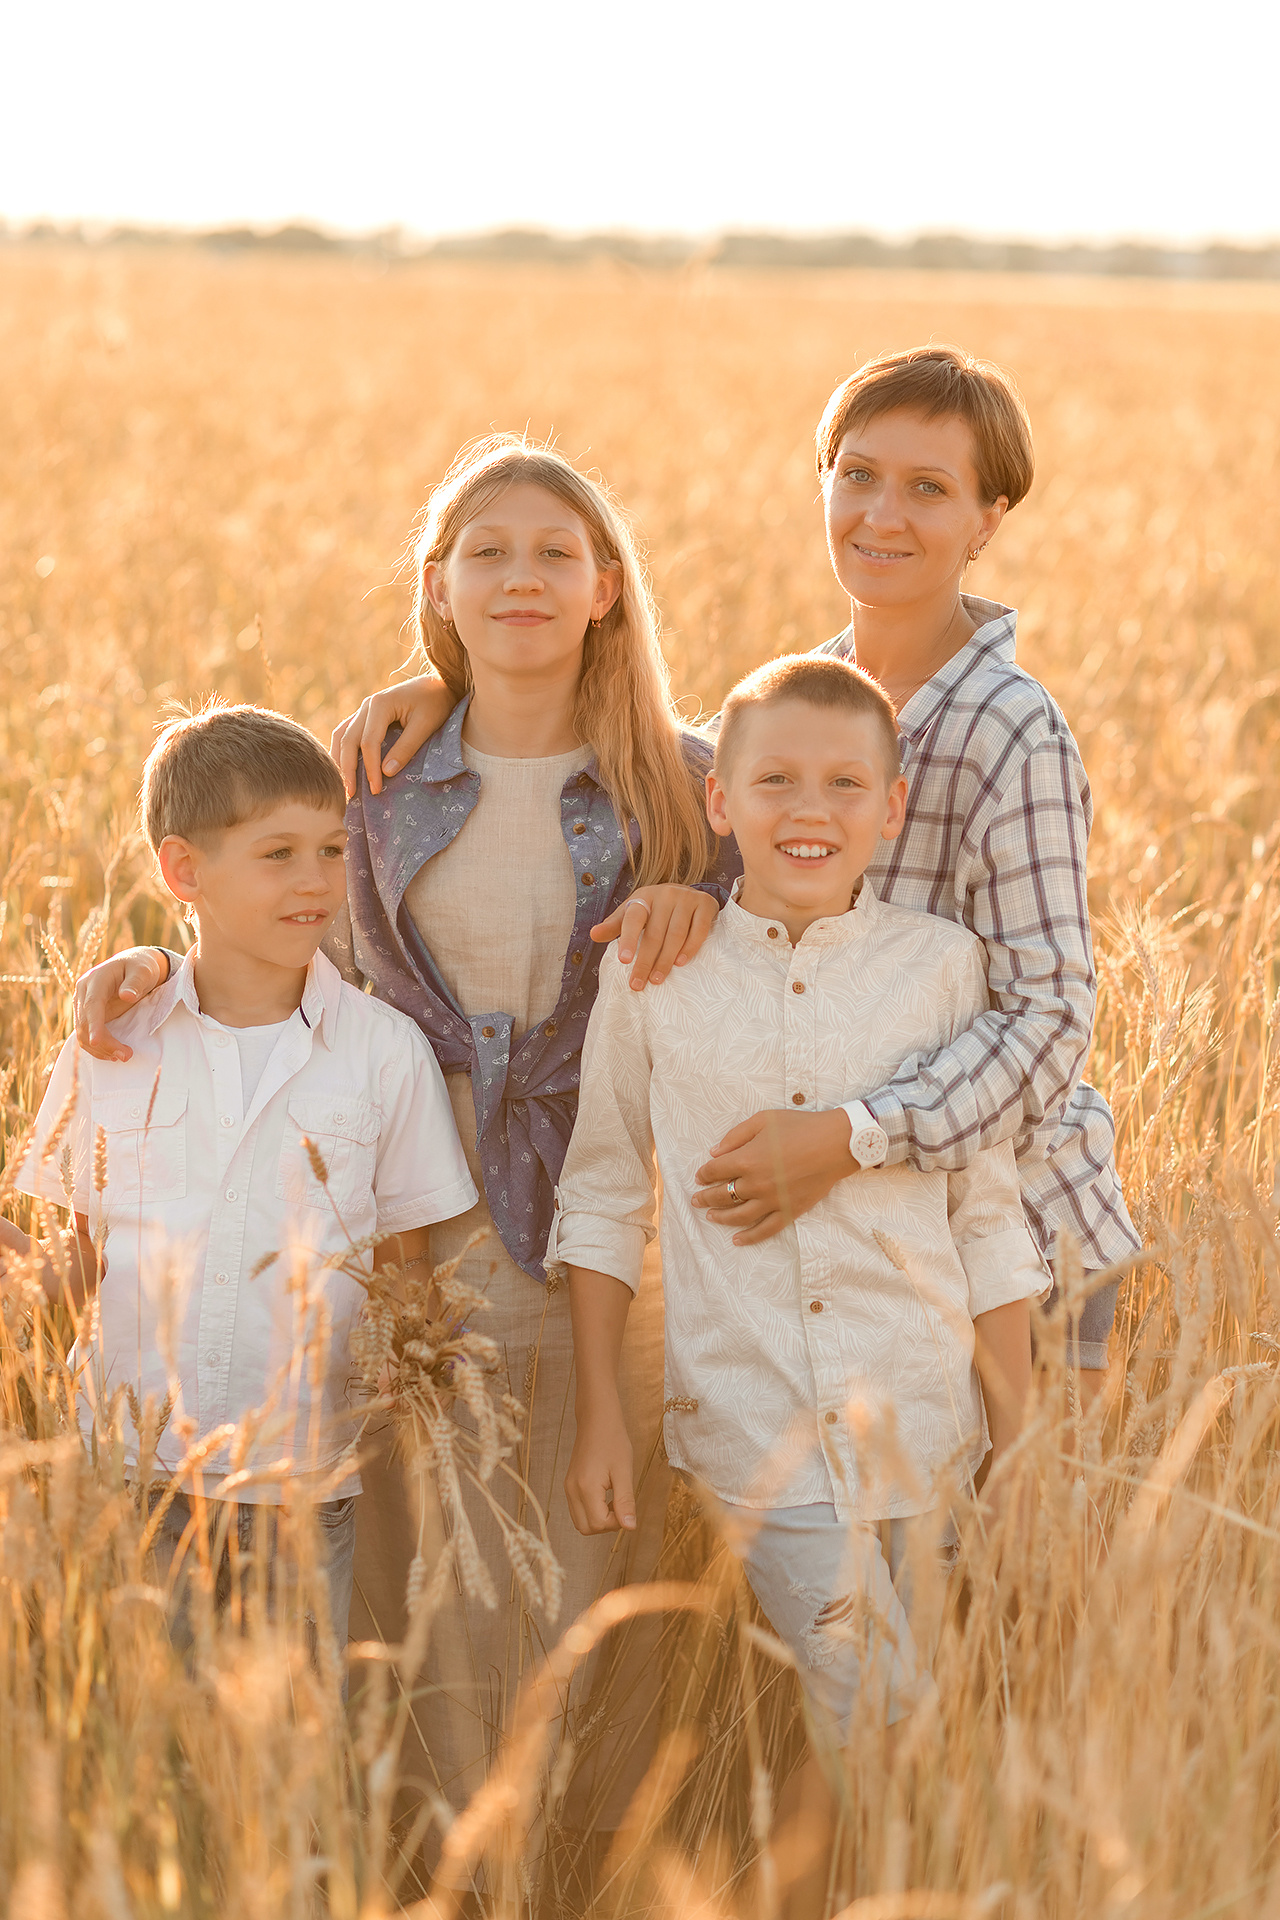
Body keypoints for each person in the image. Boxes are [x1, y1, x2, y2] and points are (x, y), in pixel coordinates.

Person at [71, 437, 738, 1895]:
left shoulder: (691, 786)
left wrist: (702, 896)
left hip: (603, 1224)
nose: (521, 576)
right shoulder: (377, 765)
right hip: (393, 1213)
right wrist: (131, 965)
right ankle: (400, 1861)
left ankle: (556, 1864)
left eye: (555, 551)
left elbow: (794, 933)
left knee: (574, 1566)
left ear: (608, 587)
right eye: (484, 551)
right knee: (398, 1566)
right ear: (435, 585)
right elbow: (250, 898)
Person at [323, 346, 1139, 1394]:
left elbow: (1048, 1024)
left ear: (987, 520)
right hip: (854, 1235)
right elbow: (681, 777)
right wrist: (452, 690)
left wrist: (851, 1137)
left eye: (927, 489)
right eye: (856, 475)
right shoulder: (817, 694)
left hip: (1008, 1241)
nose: (880, 514)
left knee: (1002, 1557)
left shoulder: (1006, 729)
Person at [554, 654, 1047, 1910]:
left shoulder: (940, 968)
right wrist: (603, 1409)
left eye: (842, 783)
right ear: (720, 801)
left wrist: (1021, 1438)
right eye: (773, 779)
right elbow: (605, 1190)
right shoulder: (654, 969)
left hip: (922, 1420)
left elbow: (983, 1213)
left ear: (891, 808)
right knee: (889, 1720)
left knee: (871, 1745)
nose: (807, 809)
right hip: (756, 1428)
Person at [9, 701, 476, 1668]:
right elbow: (79, 1260)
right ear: (184, 871)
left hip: (296, 1484)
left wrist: (413, 1356)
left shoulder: (383, 1055)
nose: (317, 882)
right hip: (127, 1474)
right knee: (154, 1756)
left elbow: (408, 1267)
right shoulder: (112, 1046)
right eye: (278, 855)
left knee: (288, 1757)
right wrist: (23, 1294)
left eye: (329, 850)